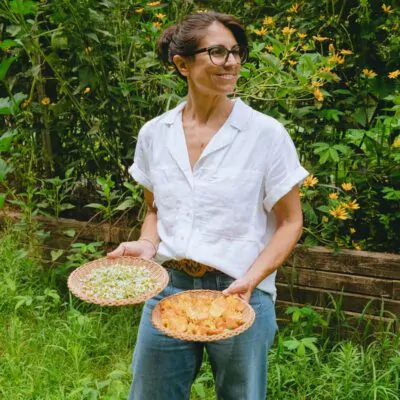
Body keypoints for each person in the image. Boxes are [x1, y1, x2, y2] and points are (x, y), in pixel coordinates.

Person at [107, 10, 309, 400]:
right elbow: (154, 210)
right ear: (181, 64)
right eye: (217, 52)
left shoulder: (265, 134)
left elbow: (290, 222)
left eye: (235, 52)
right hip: (168, 289)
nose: (231, 61)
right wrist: (147, 247)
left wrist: (251, 279)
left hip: (238, 291)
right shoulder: (154, 134)